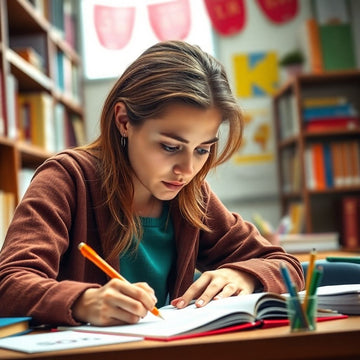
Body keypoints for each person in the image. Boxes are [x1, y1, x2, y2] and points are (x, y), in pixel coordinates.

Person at [0, 41, 304, 327]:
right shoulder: (67, 179)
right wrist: (83, 301)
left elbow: (283, 264)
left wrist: (243, 275)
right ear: (124, 121)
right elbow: (9, 283)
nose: (187, 170)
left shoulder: (192, 196)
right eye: (170, 147)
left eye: (202, 150)